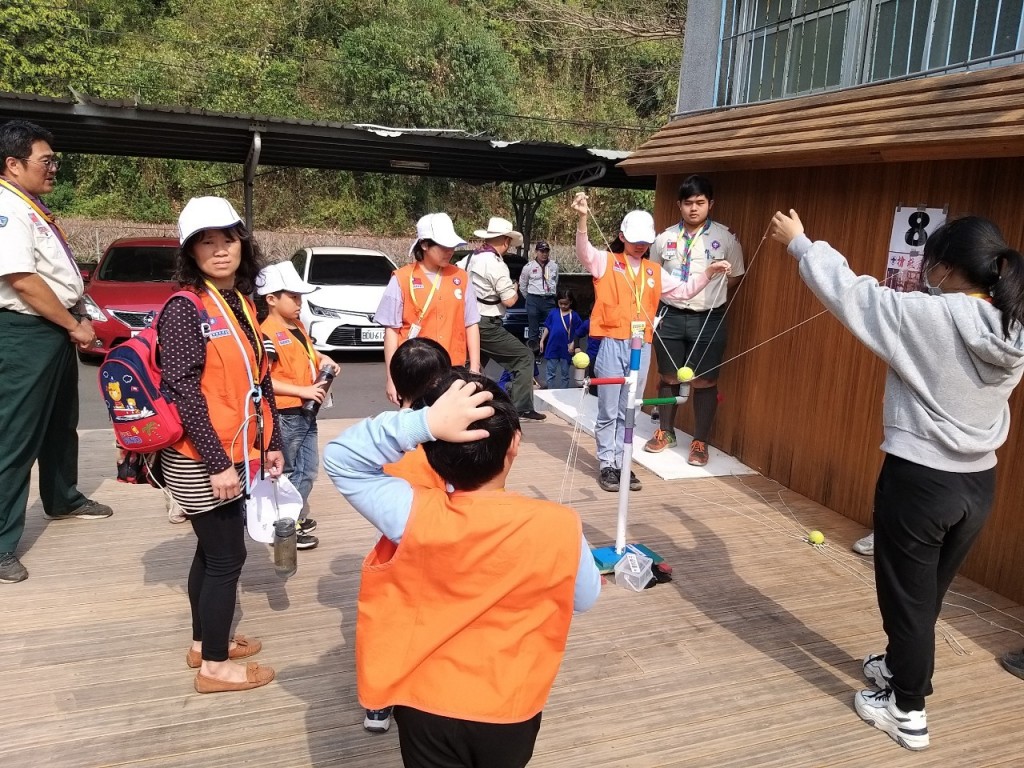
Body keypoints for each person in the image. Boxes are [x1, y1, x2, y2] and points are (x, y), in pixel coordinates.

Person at [769, 210, 1024, 751]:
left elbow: (853, 293)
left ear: (947, 268)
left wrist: (800, 243)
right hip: (977, 484)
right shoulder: (1014, 325)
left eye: (932, 262)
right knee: (925, 595)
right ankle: (896, 666)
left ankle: (908, 711)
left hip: (921, 483)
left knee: (906, 600)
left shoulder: (930, 316)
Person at [324, 370, 601, 767]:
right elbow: (585, 599)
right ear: (515, 444)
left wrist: (423, 423)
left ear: (431, 453)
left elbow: (341, 458)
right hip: (510, 705)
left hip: (423, 701)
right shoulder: (560, 525)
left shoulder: (411, 514)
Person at [158, 196, 284, 693]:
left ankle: (203, 644)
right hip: (203, 459)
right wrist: (217, 464)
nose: (219, 249)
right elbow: (184, 390)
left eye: (227, 239)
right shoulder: (185, 308)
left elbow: (259, 377)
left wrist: (270, 441)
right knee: (227, 560)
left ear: (242, 243)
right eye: (205, 242)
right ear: (190, 252)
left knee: (211, 555)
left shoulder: (240, 302)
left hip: (235, 450)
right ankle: (214, 667)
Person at [0, 120, 112, 585]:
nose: (53, 168)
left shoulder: (31, 207)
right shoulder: (6, 208)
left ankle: (62, 497)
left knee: (60, 422)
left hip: (53, 327)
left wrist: (74, 316)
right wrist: (72, 324)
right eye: (45, 161)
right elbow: (22, 279)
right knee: (15, 435)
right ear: (13, 164)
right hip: (28, 331)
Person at [571, 192, 731, 493]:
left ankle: (623, 462)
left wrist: (708, 273)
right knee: (609, 409)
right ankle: (607, 463)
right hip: (612, 342)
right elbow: (584, 252)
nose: (640, 246)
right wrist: (582, 218)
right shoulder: (606, 261)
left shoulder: (654, 271)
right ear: (622, 237)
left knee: (628, 408)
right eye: (635, 240)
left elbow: (684, 291)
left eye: (645, 241)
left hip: (641, 346)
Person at [362, 336, 451, 735]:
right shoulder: (445, 433)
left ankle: (378, 703)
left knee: (387, 624)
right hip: (444, 542)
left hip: (394, 546)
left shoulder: (384, 433)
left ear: (396, 384)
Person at [644, 175, 745, 466]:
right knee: (669, 376)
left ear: (710, 204)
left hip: (709, 317)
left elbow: (736, 276)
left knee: (705, 380)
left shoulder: (726, 238)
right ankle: (665, 431)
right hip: (670, 315)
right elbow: (652, 276)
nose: (693, 208)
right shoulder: (664, 239)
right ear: (679, 204)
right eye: (688, 203)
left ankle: (700, 441)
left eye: (700, 202)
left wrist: (711, 295)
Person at [257, 260, 342, 552]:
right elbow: (263, 379)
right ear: (271, 299)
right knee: (291, 470)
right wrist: (302, 390)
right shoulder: (266, 333)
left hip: (305, 410)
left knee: (308, 470)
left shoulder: (297, 325)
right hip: (285, 414)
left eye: (300, 297)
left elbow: (307, 351)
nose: (299, 303)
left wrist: (322, 359)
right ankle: (284, 525)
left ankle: (293, 516)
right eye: (293, 297)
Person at [375, 213, 481, 405]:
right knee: (417, 421)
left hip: (453, 370)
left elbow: (471, 323)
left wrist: (474, 368)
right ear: (424, 245)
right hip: (416, 369)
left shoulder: (461, 278)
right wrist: (392, 378)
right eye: (443, 246)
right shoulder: (401, 278)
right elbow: (391, 331)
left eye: (452, 246)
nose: (450, 251)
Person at [457, 216, 544, 421]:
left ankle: (460, 405)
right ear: (505, 241)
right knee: (524, 358)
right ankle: (522, 407)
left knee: (472, 368)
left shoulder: (469, 258)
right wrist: (515, 288)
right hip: (487, 323)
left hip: (468, 320)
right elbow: (510, 300)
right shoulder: (496, 264)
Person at [540, 288, 584, 389]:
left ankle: (564, 393)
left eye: (566, 304)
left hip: (566, 348)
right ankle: (550, 392)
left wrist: (574, 344)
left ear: (571, 302)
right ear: (557, 302)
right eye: (561, 303)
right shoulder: (553, 313)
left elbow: (579, 332)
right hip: (552, 346)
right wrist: (542, 340)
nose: (563, 306)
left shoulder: (574, 316)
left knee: (565, 374)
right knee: (550, 373)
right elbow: (547, 327)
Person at [520, 239, 559, 351]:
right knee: (533, 328)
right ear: (536, 252)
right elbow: (523, 285)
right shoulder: (528, 267)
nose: (544, 254)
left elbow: (555, 281)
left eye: (546, 251)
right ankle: (534, 352)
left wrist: (551, 293)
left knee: (552, 325)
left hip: (549, 300)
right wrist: (529, 298)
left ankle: (550, 350)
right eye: (542, 251)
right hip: (533, 299)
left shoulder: (554, 266)